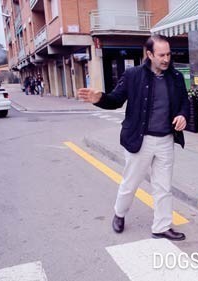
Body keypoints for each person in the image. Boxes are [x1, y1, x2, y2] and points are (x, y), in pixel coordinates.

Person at [78, 35, 189, 241]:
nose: (166, 59)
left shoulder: (176, 77)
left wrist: (183, 115)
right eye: (161, 55)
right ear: (149, 54)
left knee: (163, 186)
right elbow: (115, 100)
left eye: (168, 54)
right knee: (130, 183)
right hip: (140, 140)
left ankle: (161, 226)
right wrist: (100, 98)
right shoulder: (133, 75)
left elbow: (184, 102)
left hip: (166, 140)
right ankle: (119, 214)